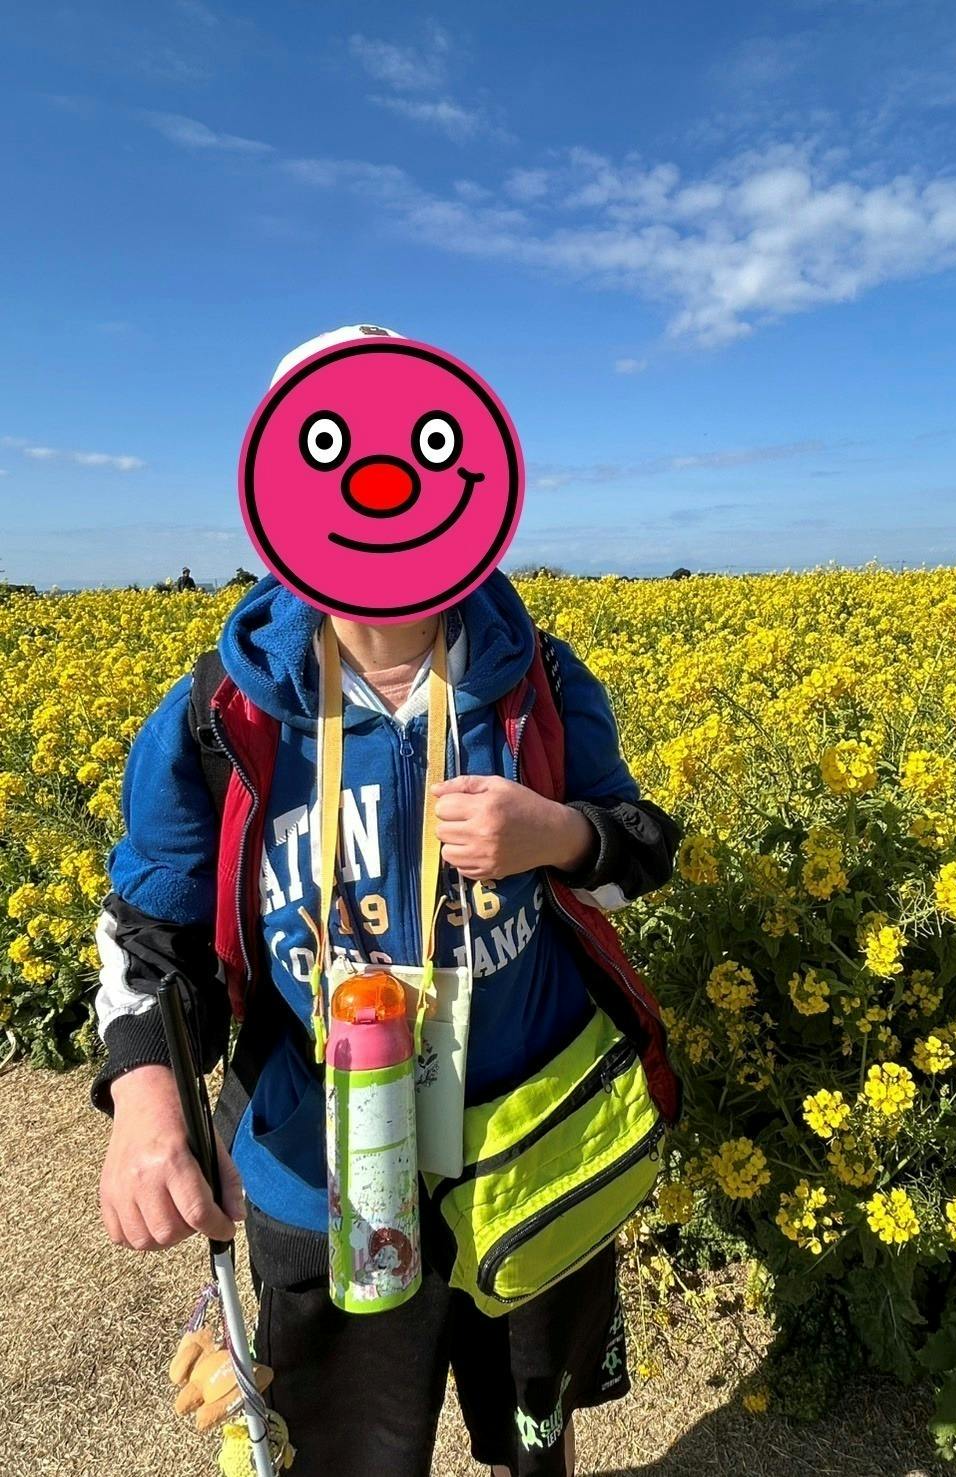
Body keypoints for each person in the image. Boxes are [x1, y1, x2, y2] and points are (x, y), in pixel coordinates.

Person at [91, 330, 681, 1477]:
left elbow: (640, 847)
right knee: (342, 1449)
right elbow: (149, 927)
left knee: (534, 1434)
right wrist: (147, 1096)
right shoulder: (220, 715)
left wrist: (558, 833)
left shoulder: (538, 678)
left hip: (528, 1145)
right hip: (320, 1161)